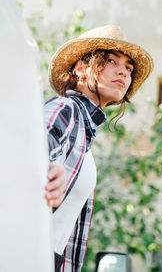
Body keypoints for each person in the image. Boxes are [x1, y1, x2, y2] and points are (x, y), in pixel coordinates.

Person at [43, 25, 153, 272]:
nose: (123, 72)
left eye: (129, 67)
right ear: (81, 68)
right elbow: (32, 151)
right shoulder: (65, 109)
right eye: (111, 60)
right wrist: (46, 170)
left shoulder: (86, 137)